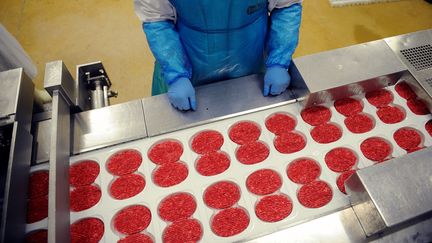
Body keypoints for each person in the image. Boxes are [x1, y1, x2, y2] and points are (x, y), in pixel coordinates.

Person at [134, 0, 302, 111]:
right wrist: (176, 74)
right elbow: (158, 20)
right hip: (189, 59)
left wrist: (279, 61)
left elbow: (286, 6)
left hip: (251, 55)